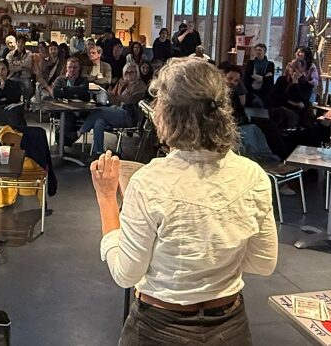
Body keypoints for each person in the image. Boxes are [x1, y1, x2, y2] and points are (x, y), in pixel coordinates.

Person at [90, 57, 277, 345]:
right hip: (230, 326)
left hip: (160, 329)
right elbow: (264, 263)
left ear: (167, 113)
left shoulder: (150, 182)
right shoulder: (253, 176)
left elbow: (126, 273)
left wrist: (106, 197)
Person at [76, 62, 148, 160]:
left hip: (128, 115)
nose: (130, 74)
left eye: (133, 72)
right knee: (99, 122)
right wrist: (108, 93)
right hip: (115, 110)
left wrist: (113, 96)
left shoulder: (140, 86)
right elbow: (113, 97)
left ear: (137, 73)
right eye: (127, 72)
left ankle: (80, 132)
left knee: (98, 111)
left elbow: (129, 101)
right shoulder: (122, 82)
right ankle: (98, 153)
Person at [267, 60, 314, 129]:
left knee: (280, 113)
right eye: (292, 67)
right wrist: (293, 102)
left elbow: (301, 103)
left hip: (294, 112)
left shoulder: (307, 86)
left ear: (302, 71)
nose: (294, 71)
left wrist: (295, 82)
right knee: (274, 112)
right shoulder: (281, 80)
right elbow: (274, 97)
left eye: (297, 68)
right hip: (278, 107)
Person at [0, 59, 26, 129]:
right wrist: (2, 86)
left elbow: (16, 98)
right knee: (15, 116)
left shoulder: (13, 84)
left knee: (17, 113)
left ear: (7, 70)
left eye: (3, 69)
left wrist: (5, 98)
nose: (0, 72)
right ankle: (20, 136)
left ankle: (19, 135)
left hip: (12, 108)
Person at [243, 43, 275, 108]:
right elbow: (247, 77)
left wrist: (257, 77)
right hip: (251, 90)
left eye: (260, 50)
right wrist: (264, 77)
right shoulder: (250, 63)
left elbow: (270, 81)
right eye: (256, 50)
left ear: (264, 52)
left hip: (264, 92)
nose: (258, 52)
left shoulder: (270, 64)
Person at [6, 34, 36, 100]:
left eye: (22, 42)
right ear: (16, 43)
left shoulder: (29, 53)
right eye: (18, 42)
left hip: (25, 76)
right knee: (7, 84)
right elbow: (10, 67)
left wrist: (15, 63)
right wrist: (22, 67)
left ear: (24, 44)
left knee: (29, 87)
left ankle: (26, 103)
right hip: (13, 76)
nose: (20, 44)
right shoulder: (10, 54)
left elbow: (28, 64)